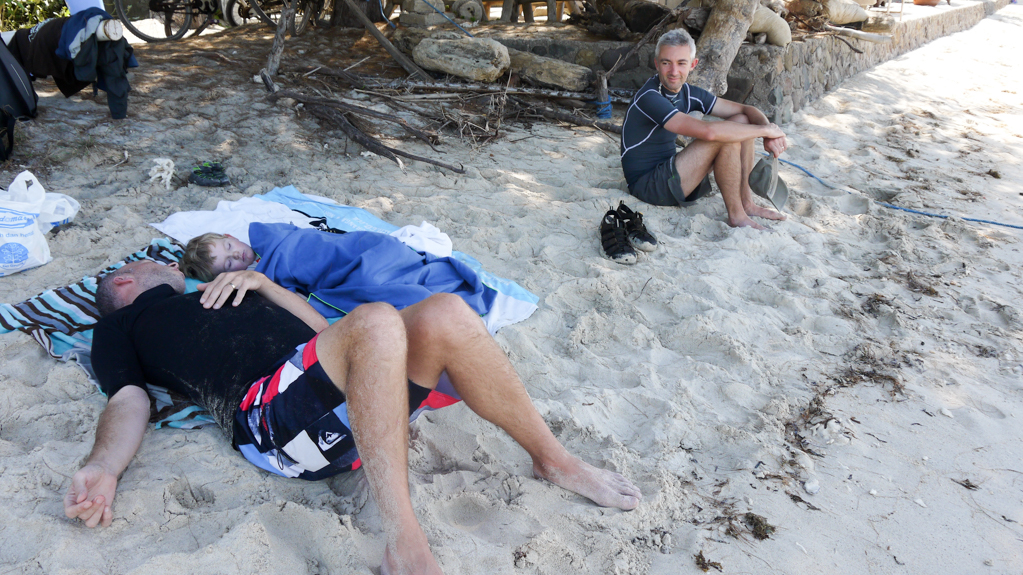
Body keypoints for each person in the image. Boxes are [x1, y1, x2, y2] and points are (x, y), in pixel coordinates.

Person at [65, 260, 641, 574]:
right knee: (377, 319)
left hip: (345, 393)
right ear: (126, 281)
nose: (170, 263)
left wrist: (263, 283)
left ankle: (554, 460)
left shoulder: (233, 289)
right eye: (155, 262)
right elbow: (128, 399)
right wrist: (104, 467)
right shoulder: (119, 326)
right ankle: (403, 541)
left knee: (444, 311)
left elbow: (323, 333)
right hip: (268, 423)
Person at [620, 28, 789, 230]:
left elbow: (746, 110)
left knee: (742, 121)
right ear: (657, 64)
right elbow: (710, 133)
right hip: (648, 187)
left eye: (681, 63)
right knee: (722, 138)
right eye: (666, 63)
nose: (674, 71)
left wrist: (768, 132)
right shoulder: (649, 97)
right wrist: (765, 131)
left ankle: (746, 204)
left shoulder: (688, 92)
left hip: (673, 172)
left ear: (693, 65)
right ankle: (737, 215)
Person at [178, 223, 492, 318]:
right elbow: (291, 291)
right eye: (229, 263)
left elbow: (315, 241)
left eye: (229, 246)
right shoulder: (263, 274)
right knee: (372, 284)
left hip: (365, 248)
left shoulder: (268, 235)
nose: (237, 255)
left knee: (375, 268)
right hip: (346, 270)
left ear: (230, 236)